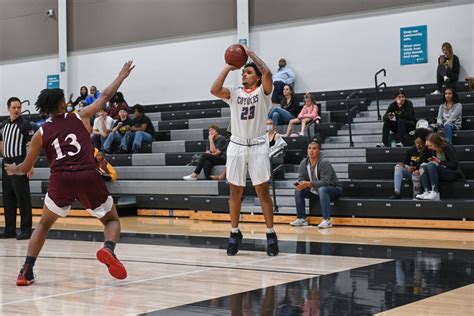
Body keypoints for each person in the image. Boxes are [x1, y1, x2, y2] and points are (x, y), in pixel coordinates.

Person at [4, 61, 135, 286]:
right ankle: (108, 249)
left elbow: (25, 168)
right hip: (87, 174)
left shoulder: (41, 132)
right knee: (111, 220)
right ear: (63, 103)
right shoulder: (79, 115)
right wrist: (121, 76)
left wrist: (12, 168)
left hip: (60, 178)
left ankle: (26, 271)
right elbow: (105, 95)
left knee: (44, 224)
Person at [210, 45, 279, 256]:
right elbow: (214, 89)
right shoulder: (234, 92)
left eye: (248, 72)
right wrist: (227, 67)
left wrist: (250, 55)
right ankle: (234, 232)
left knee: (262, 191)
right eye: (243, 72)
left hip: (258, 144)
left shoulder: (263, 92)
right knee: (235, 191)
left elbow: (267, 72)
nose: (244, 75)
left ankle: (270, 234)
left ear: (256, 78)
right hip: (237, 145)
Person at [0, 97, 35, 240]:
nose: (17, 110)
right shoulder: (3, 124)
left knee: (23, 198)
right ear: (8, 108)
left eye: (19, 107)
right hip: (6, 163)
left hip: (20, 163)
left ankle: (26, 230)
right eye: (14, 107)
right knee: (8, 198)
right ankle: (10, 230)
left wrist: (30, 165)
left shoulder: (26, 125)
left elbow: (31, 146)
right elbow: (2, 142)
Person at [209, 119, 287, 181]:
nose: (268, 126)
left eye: (270, 124)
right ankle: (230, 178)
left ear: (274, 126)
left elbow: (278, 148)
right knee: (235, 157)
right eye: (267, 124)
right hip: (260, 153)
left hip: (271, 155)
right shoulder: (263, 135)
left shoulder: (277, 136)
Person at [290, 141, 341, 228]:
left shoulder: (324, 162)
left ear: (319, 151)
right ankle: (301, 218)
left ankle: (326, 220)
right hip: (315, 191)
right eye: (309, 148)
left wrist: (309, 184)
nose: (311, 151)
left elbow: (325, 182)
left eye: (314, 148)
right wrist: (302, 183)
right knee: (298, 189)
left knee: (322, 189)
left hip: (332, 189)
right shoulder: (303, 163)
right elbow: (301, 178)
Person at [416, 132, 464, 201]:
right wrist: (425, 148)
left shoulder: (447, 147)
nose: (429, 148)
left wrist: (440, 162)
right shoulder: (431, 149)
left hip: (452, 173)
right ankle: (426, 192)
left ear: (436, 143)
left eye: (430, 145)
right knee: (423, 165)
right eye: (428, 146)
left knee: (431, 165)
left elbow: (454, 165)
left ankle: (435, 192)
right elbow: (421, 160)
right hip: (438, 171)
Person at [389, 130, 430, 199]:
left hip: (423, 173)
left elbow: (426, 164)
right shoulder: (411, 150)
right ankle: (397, 192)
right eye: (417, 143)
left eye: (420, 144)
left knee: (417, 172)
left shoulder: (427, 150)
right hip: (413, 171)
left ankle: (418, 195)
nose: (418, 145)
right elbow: (405, 163)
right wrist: (403, 165)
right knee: (398, 168)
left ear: (424, 143)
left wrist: (415, 168)